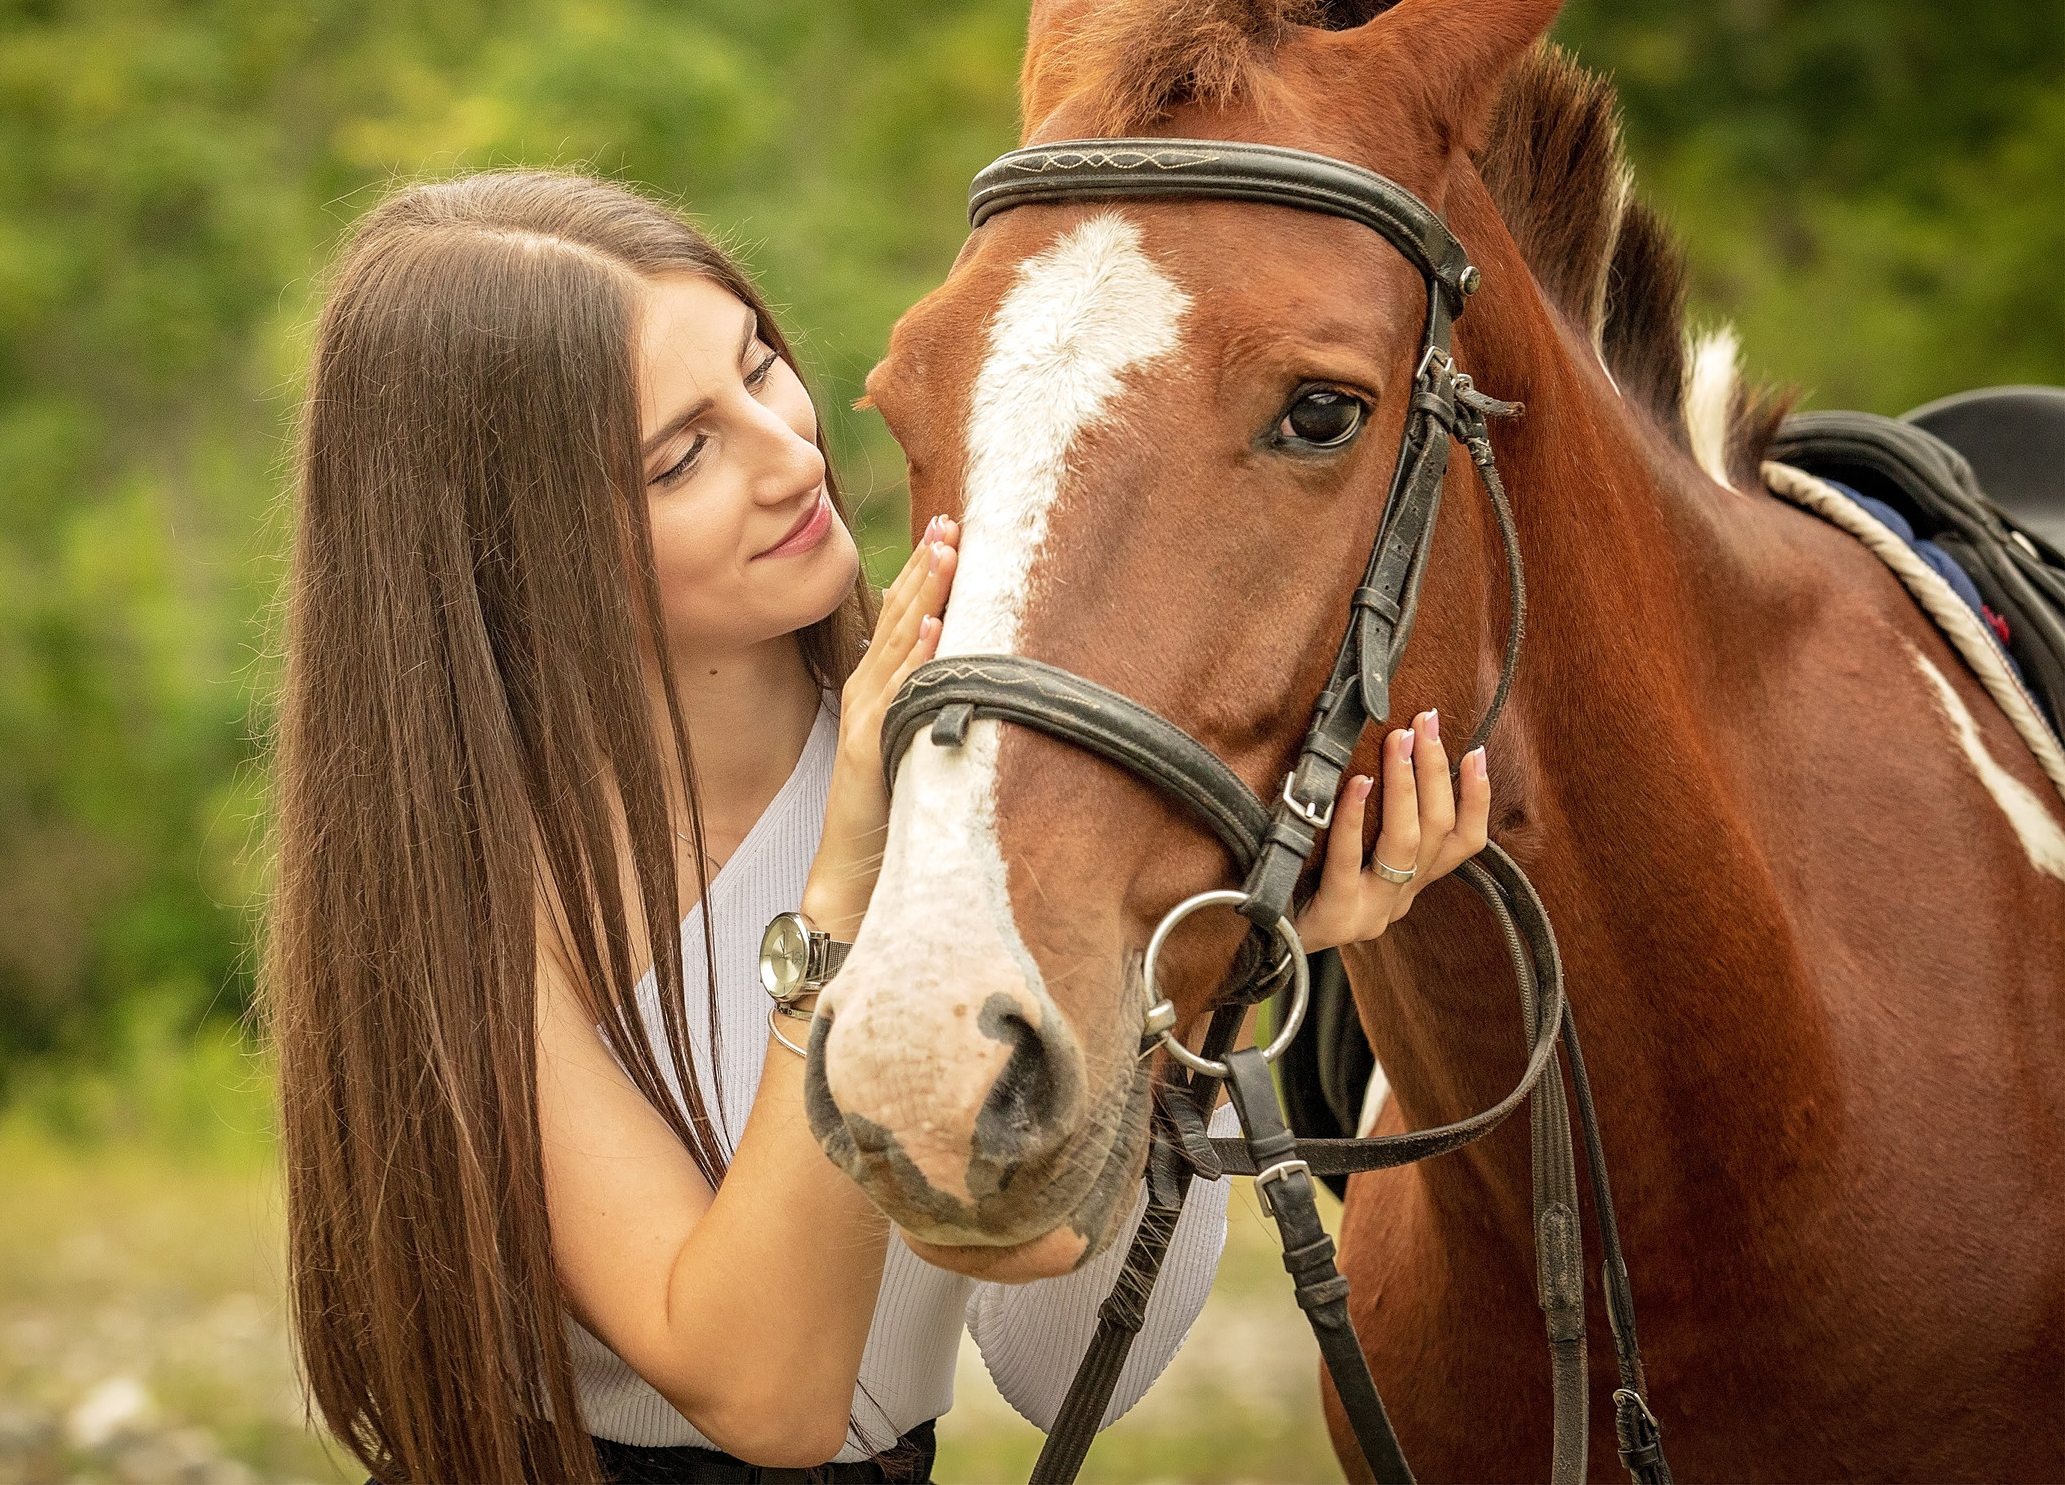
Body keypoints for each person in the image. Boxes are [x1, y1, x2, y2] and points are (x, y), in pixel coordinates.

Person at [264, 170, 1491, 1483]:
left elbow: (1070, 1364)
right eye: (683, 453)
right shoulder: (477, 893)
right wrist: (847, 879)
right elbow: (770, 1398)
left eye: (759, 369)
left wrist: (1216, 970)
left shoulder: (982, 765)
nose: (792, 454)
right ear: (514, 552)